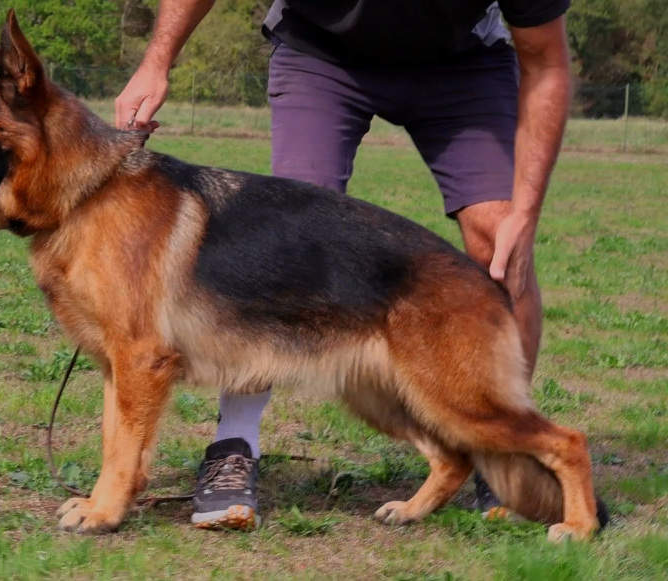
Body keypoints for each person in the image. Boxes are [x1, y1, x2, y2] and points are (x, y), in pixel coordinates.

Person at [115, 0, 571, 530]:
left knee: (501, 244)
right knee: (285, 245)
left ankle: (502, 449)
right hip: (321, 51)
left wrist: (525, 213)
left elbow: (547, 60)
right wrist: (157, 61)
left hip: (461, 61)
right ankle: (233, 446)